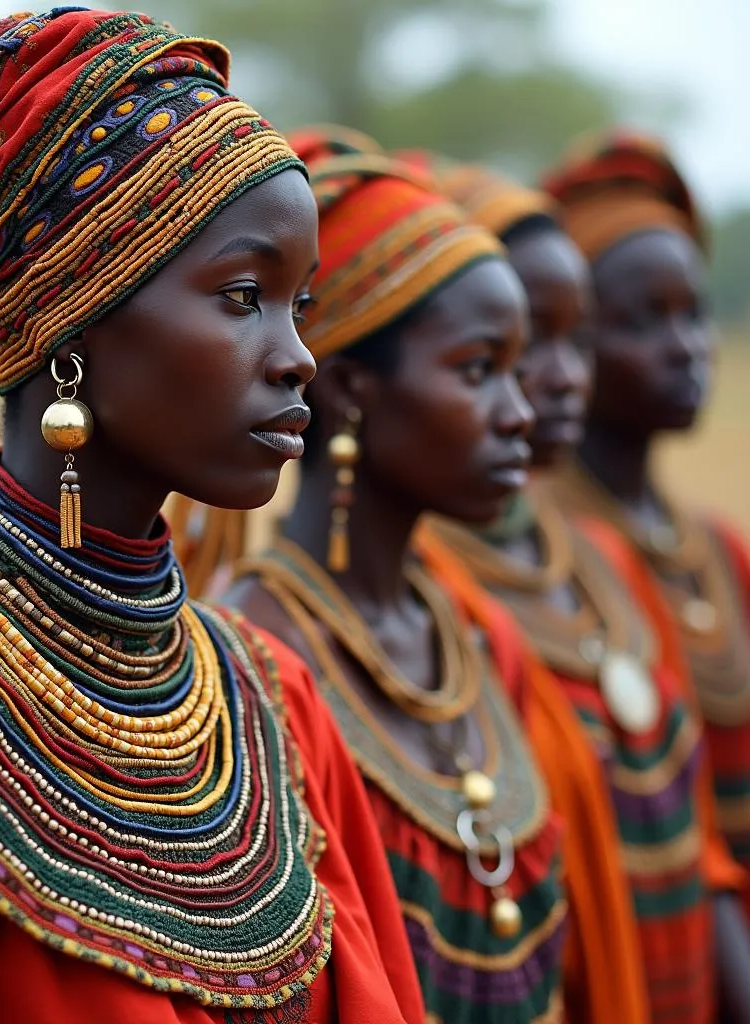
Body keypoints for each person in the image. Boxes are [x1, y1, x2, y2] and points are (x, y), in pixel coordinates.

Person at [0, 12, 426, 1024]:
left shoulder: (272, 704)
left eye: (298, 305)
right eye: (241, 296)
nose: (295, 356)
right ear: (69, 324)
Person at [224, 130, 642, 1024]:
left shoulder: (481, 640)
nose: (521, 412)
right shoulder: (255, 670)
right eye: (478, 371)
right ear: (348, 392)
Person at [416, 154, 748, 1022]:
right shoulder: (437, 609)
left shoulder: (608, 562)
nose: (560, 375)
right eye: (516, 346)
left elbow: (704, 846)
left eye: (576, 336)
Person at [537, 129, 750, 1019]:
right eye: (641, 320)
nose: (685, 344)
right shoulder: (552, 570)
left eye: (693, 312)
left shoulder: (721, 550)